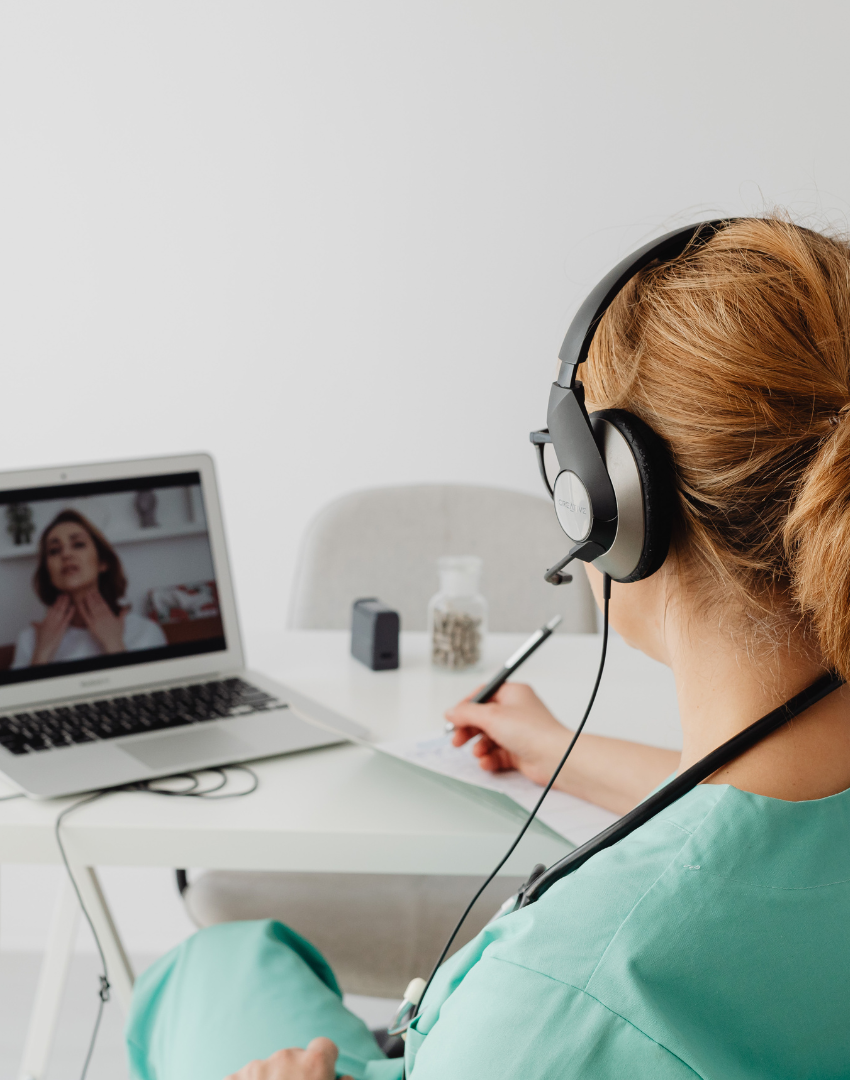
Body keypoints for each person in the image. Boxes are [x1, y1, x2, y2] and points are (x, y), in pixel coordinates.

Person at [126, 218, 850, 1079]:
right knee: (229, 957)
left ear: (616, 508)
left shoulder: (565, 992)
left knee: (200, 969)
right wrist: (554, 753)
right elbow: (767, 824)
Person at [12, 509, 167, 667]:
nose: (66, 554)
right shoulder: (30, 640)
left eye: (78, 544)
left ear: (103, 562)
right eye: (54, 551)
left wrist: (114, 645)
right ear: (48, 572)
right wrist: (42, 653)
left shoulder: (145, 632)